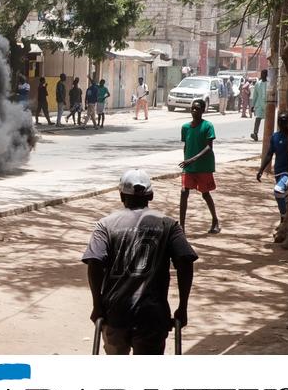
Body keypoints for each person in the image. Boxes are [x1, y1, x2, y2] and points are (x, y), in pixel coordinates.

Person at [83, 169, 196, 354]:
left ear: (121, 196)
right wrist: (182, 307)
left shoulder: (105, 225)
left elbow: (95, 263)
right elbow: (185, 262)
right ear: (150, 195)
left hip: (115, 312)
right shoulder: (168, 225)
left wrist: (97, 305)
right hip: (152, 315)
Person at [179, 99, 221, 234]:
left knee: (205, 194)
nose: (194, 111)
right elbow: (186, 145)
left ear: (203, 110)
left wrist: (193, 159)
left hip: (203, 166)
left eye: (197, 109)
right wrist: (186, 161)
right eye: (193, 108)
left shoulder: (208, 126)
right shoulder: (185, 127)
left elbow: (209, 147)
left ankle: (215, 220)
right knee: (184, 192)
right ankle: (181, 227)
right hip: (189, 167)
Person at [257, 112, 288, 223]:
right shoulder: (275, 137)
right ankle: (285, 222)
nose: (282, 123)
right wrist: (261, 170)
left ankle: (284, 217)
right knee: (285, 198)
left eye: (285, 120)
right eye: (280, 120)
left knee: (278, 190)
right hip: (278, 172)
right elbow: (269, 154)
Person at [250, 69, 269, 141]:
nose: (262, 75)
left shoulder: (269, 83)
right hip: (259, 104)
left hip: (267, 105)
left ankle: (268, 135)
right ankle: (255, 133)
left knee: (268, 120)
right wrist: (253, 105)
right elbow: (255, 95)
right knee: (258, 119)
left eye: (264, 74)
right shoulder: (258, 84)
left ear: (266, 75)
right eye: (262, 74)